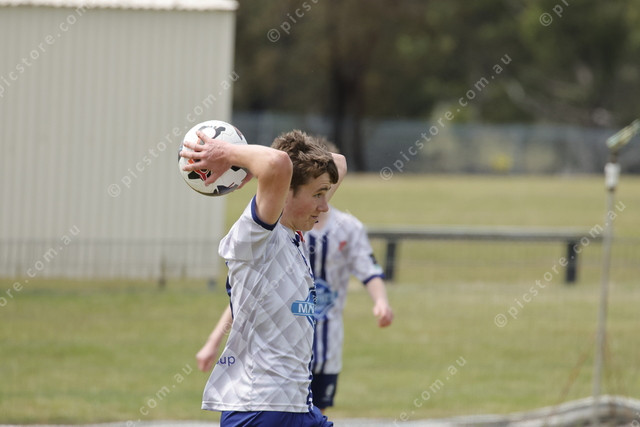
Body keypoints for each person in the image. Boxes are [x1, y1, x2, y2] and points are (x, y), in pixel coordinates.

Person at [181, 129, 346, 427]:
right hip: (258, 408)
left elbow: (339, 162)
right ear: (286, 192)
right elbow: (276, 164)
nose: (325, 206)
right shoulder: (257, 236)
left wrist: (253, 169)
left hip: (296, 406)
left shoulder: (293, 231)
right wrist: (227, 155)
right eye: (318, 195)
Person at [305, 138, 393, 413]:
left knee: (316, 413)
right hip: (285, 347)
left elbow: (368, 269)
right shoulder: (285, 226)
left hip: (327, 344)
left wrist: (381, 302)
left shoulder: (348, 227)